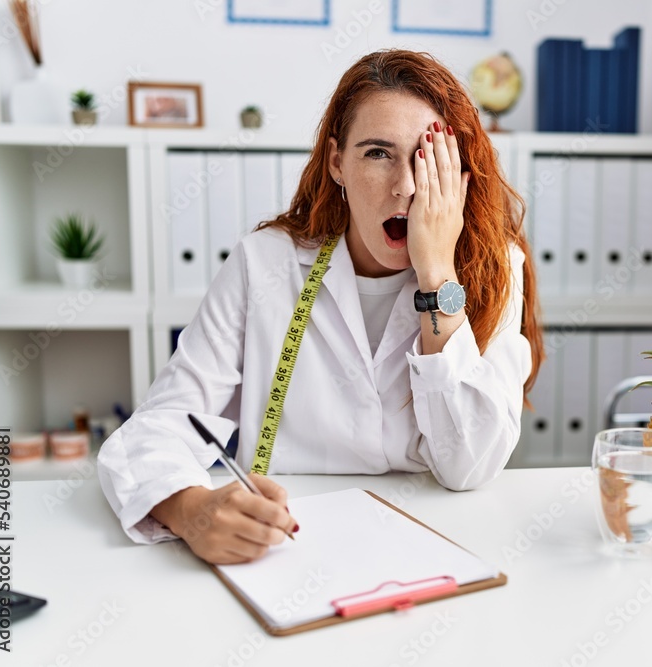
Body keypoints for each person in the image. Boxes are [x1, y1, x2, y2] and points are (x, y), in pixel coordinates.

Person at [97, 49, 544, 565]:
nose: (406, 186)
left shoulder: (494, 266)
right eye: (378, 153)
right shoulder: (263, 265)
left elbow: (470, 464)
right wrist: (191, 510)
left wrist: (438, 272)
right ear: (337, 163)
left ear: (458, 171)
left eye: (427, 158)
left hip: (434, 554)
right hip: (286, 552)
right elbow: (159, 427)